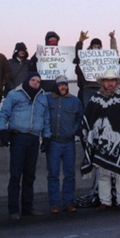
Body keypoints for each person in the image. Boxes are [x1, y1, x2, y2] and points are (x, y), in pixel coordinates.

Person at [80, 69, 120, 212]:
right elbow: (88, 119)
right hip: (101, 143)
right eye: (107, 81)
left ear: (117, 82)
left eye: (112, 81)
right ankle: (105, 201)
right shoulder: (95, 99)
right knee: (103, 173)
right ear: (103, 83)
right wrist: (93, 137)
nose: (110, 84)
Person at [0, 72, 51, 220]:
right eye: (33, 80)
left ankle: (28, 207)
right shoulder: (14, 94)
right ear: (27, 81)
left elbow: (46, 119)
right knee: (15, 175)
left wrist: (46, 137)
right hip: (18, 137)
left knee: (30, 175)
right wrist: (2, 130)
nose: (36, 83)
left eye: (38, 81)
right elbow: (3, 114)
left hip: (34, 138)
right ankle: (14, 209)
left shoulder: (42, 97)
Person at [45, 76, 83, 214]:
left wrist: (73, 131)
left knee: (69, 174)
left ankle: (68, 203)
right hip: (53, 142)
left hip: (69, 143)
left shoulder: (75, 101)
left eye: (65, 85)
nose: (63, 87)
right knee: (53, 174)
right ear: (56, 86)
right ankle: (54, 204)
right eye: (60, 85)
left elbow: (80, 118)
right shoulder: (47, 98)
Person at [74, 30, 117, 107]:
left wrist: (112, 39)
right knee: (88, 110)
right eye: (94, 45)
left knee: (101, 109)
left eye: (98, 46)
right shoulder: (85, 56)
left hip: (100, 87)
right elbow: (78, 54)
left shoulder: (104, 57)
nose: (96, 47)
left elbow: (114, 55)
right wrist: (80, 42)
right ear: (91, 46)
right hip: (88, 87)